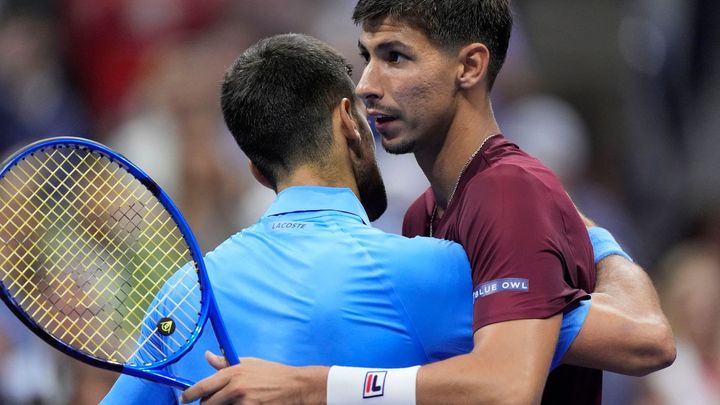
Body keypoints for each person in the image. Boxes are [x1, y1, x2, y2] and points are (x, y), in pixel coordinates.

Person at [181, 1, 675, 404]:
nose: (366, 86)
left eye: (395, 57)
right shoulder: (424, 212)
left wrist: (309, 385)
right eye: (368, 57)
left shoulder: (509, 192)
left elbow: (508, 386)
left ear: (470, 66)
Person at [99, 32, 583, 405]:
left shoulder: (186, 295)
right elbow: (638, 340)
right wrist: (584, 233)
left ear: (256, 170)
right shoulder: (427, 271)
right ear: (349, 121)